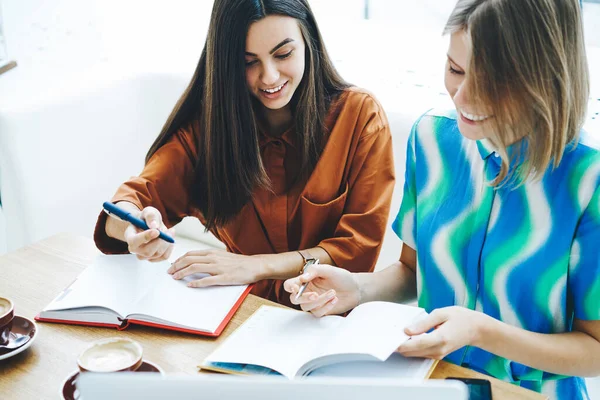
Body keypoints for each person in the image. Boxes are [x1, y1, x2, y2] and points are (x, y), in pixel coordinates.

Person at [284, 0, 599, 398]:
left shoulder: (588, 178)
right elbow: (411, 273)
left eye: (489, 82)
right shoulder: (432, 138)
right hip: (430, 384)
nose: (463, 98)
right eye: (455, 70)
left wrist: (481, 332)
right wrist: (355, 290)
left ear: (544, 77)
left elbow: (595, 351)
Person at [93, 0, 395, 308]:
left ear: (309, 41)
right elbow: (125, 207)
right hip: (235, 312)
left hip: (330, 315)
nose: (270, 77)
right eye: (248, 62)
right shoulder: (207, 130)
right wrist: (136, 231)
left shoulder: (359, 116)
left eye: (284, 54)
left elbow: (356, 252)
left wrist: (257, 265)